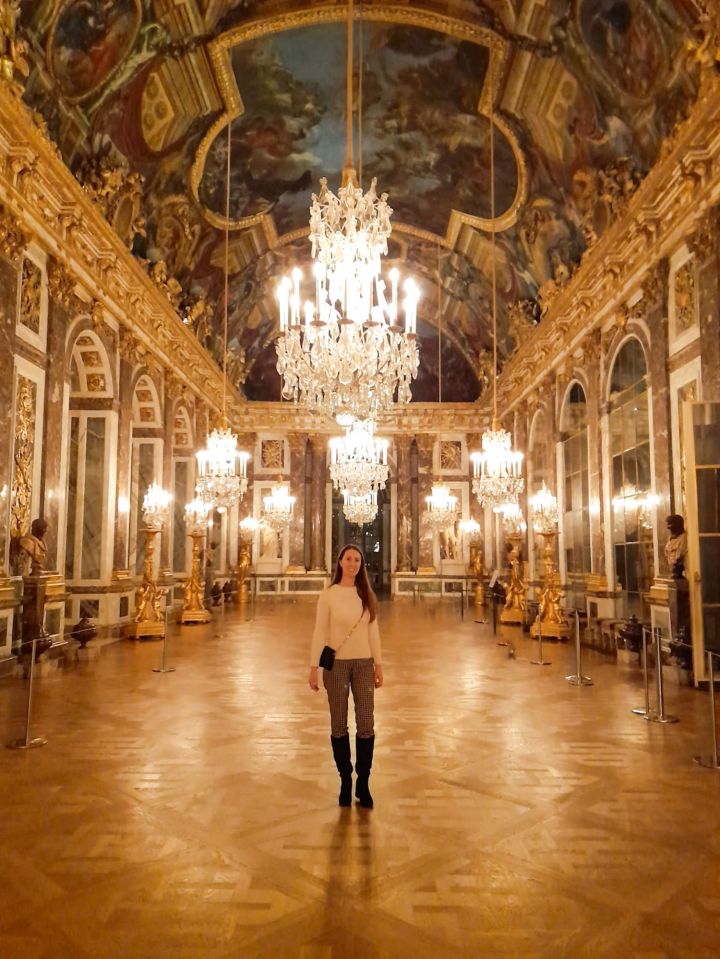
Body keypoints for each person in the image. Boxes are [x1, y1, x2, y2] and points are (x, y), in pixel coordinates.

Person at [309, 545, 383, 808]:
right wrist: (313, 667)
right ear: (340, 562)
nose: (353, 564)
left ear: (361, 565)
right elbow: (320, 631)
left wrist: (378, 664)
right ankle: (345, 780)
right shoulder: (328, 595)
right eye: (348, 559)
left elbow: (373, 631)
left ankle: (363, 782)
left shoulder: (366, 595)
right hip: (336, 666)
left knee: (366, 723)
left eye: (357, 560)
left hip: (363, 664)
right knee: (338, 724)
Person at [665, 514, 687, 579]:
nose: (668, 528)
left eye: (670, 525)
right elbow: (667, 554)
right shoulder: (670, 539)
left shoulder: (683, 538)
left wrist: (676, 564)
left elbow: (679, 555)